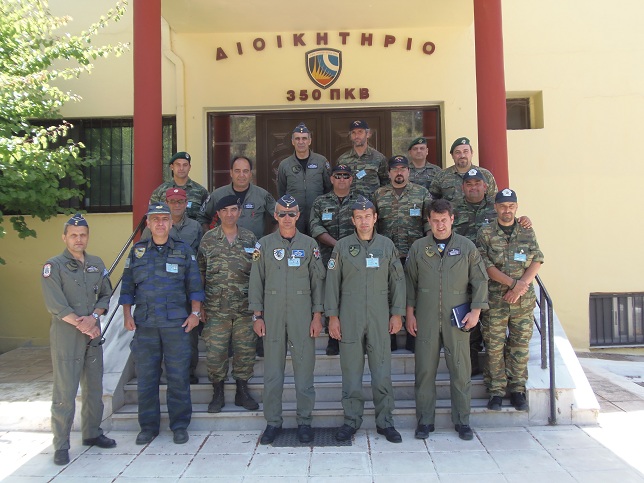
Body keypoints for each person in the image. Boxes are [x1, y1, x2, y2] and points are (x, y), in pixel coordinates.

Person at [119, 203, 205, 446]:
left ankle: (179, 425)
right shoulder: (137, 252)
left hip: (176, 325)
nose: (159, 223)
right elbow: (127, 286)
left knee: (178, 377)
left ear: (170, 223)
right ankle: (148, 427)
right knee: (147, 379)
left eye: (164, 219)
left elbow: (195, 285)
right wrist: (126, 315)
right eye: (155, 219)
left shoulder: (183, 250)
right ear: (148, 223)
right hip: (145, 325)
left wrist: (195, 313)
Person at [405, 199, 488, 441]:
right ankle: (425, 421)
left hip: (457, 319)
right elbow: (409, 283)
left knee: (461, 370)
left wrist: (476, 311)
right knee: (424, 371)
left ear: (452, 219)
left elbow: (480, 280)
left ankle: (462, 420)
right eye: (435, 221)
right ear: (428, 221)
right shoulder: (419, 248)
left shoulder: (466, 247)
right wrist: (409, 314)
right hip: (426, 317)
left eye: (444, 220)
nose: (440, 225)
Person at [325, 195, 406, 444]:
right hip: (350, 316)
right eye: (359, 217)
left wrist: (397, 313)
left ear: (375, 218)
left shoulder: (386, 245)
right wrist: (333, 317)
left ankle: (385, 422)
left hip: (379, 316)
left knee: (382, 372)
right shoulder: (342, 247)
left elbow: (398, 281)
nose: (363, 222)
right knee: (351, 372)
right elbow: (332, 283)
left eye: (367, 217)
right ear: (352, 220)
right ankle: (351, 420)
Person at [248, 194, 326, 444]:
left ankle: (305, 421)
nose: (287, 218)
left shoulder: (309, 245)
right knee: (272, 373)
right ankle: (273, 422)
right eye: (282, 213)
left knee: (304, 372)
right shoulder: (264, 245)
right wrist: (257, 315)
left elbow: (317, 282)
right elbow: (256, 282)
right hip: (272, 316)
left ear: (298, 215)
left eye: (292, 213)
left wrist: (317, 316)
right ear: (275, 215)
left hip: (302, 316)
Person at [41, 213, 116, 466]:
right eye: (73, 235)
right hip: (67, 335)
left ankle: (92, 432)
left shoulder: (96, 263)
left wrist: (94, 317)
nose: (78, 239)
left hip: (92, 333)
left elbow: (106, 294)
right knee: (65, 390)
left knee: (94, 387)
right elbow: (56, 305)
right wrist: (84, 324)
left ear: (88, 237)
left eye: (83, 235)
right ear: (64, 237)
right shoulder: (53, 266)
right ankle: (61, 444)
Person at [453, 169, 532, 376]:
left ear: (485, 187)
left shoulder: (496, 207)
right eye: (469, 184)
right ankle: (471, 365)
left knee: (492, 325)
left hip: (492, 276)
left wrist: (524, 219)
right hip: (463, 272)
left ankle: (507, 376)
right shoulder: (454, 209)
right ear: (463, 187)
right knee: (467, 318)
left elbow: (513, 226)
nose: (473, 187)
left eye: (477, 183)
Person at [476, 189, 544, 412]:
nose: (507, 210)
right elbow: (486, 265)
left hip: (522, 302)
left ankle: (517, 390)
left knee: (519, 346)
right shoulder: (486, 232)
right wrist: (513, 284)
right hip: (496, 300)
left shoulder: (526, 230)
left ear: (516, 207)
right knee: (494, 347)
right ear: (496, 207)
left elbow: (537, 259)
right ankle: (496, 391)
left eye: (511, 206)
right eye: (503, 206)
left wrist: (521, 286)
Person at [198, 195, 259, 413]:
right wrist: (199, 306)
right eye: (225, 210)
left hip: (245, 308)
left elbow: (258, 274)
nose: (229, 214)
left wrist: (258, 309)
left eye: (234, 209)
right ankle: (218, 393)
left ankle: (242, 391)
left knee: (245, 351)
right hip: (216, 309)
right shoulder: (208, 240)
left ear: (240, 212)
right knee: (216, 353)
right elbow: (200, 273)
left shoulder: (250, 239)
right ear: (218, 214)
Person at [143, 188, 204, 383]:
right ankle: (159, 371)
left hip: (186, 286)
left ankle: (189, 371)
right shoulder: (152, 227)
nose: (176, 205)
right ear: (167, 203)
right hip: (159, 288)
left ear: (186, 203)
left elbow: (201, 257)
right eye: (173, 201)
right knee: (158, 332)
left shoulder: (195, 227)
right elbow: (142, 255)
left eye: (180, 201)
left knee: (189, 332)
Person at [373, 155, 432, 352]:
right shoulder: (379, 194)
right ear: (389, 173)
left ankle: (413, 338)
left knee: (414, 295)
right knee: (387, 295)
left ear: (409, 171)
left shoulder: (422, 193)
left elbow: (428, 223)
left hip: (414, 253)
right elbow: (373, 225)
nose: (399, 172)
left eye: (403, 169)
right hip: (387, 255)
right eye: (395, 169)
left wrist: (427, 250)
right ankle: (389, 338)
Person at [308, 163, 360, 355]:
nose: (342, 179)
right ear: (331, 179)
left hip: (354, 257)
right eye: (338, 176)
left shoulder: (360, 201)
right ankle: (333, 338)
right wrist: (337, 245)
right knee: (330, 295)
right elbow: (315, 227)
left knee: (350, 295)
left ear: (351, 179)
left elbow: (367, 226)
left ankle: (354, 336)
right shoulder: (320, 202)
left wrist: (347, 248)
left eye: (346, 176)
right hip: (327, 257)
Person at [198, 156, 277, 239]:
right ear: (231, 173)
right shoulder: (217, 195)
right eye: (237, 171)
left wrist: (269, 241)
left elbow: (279, 218)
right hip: (225, 246)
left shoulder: (263, 195)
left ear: (250, 174)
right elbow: (202, 218)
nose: (241, 175)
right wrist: (211, 239)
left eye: (245, 171)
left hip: (255, 245)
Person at [277, 122, 332, 234]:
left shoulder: (321, 161)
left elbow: (329, 187)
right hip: (294, 216)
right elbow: (281, 190)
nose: (301, 142)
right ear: (292, 141)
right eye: (297, 139)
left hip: (317, 214)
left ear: (309, 141)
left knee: (318, 241)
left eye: (304, 138)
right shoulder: (285, 165)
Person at [429, 137, 498, 203]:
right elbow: (432, 202)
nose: (462, 156)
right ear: (452, 155)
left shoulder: (485, 175)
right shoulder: (441, 176)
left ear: (471, 153)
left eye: (465, 151)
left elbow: (494, 201)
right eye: (458, 152)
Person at [336, 120, 388, 199]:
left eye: (360, 132)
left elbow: (385, 183)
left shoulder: (379, 158)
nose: (356, 136)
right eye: (353, 133)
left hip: (371, 203)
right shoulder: (343, 159)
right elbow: (337, 182)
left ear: (368, 134)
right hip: (349, 203)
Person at [149, 152, 209, 221]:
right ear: (172, 167)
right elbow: (152, 215)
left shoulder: (200, 191)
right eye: (178, 165)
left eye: (185, 165)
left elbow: (207, 217)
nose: (181, 168)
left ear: (189, 167)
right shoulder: (160, 191)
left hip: (194, 227)